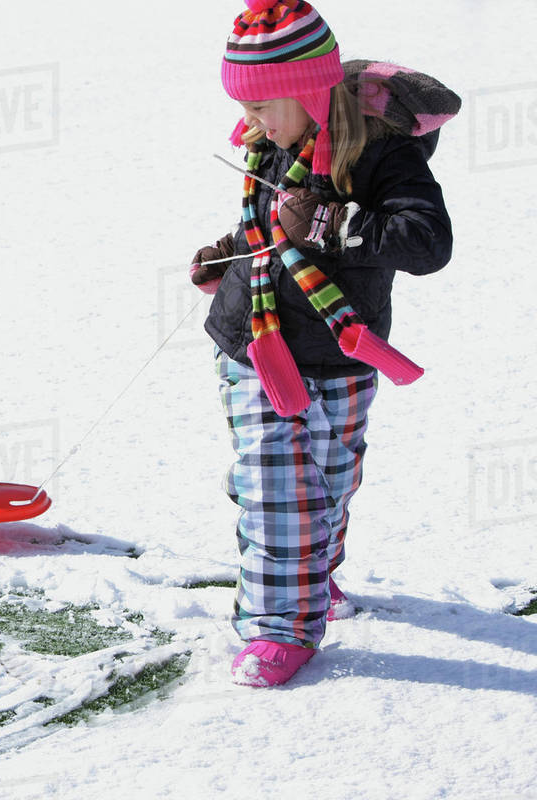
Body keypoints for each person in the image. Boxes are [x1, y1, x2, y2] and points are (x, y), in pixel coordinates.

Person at [189, 0, 458, 686]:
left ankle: (308, 573)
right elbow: (269, 220)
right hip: (253, 339)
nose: (250, 124)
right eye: (243, 107)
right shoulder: (271, 138)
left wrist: (336, 223)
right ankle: (281, 626)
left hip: (342, 348)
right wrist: (230, 252)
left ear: (311, 89)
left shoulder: (379, 153)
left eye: (262, 107)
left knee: (328, 482)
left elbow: (429, 243)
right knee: (274, 484)